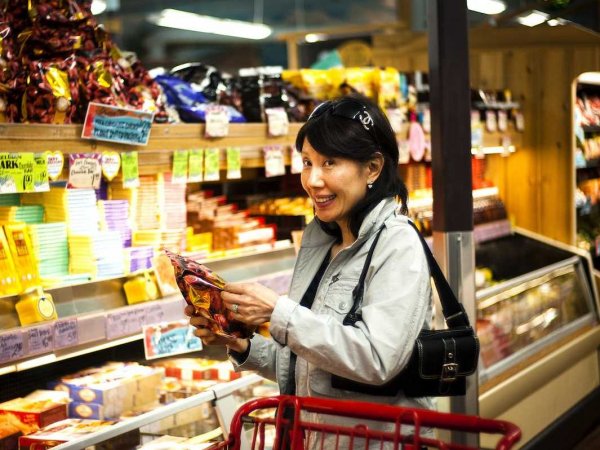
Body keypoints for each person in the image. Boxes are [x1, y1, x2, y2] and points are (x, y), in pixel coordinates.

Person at [186, 94, 433, 446]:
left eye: (329, 163)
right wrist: (241, 345)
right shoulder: (321, 244)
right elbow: (314, 367)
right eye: (306, 162)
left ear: (373, 168)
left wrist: (278, 312)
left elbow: (377, 359)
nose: (313, 180)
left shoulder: (397, 245)